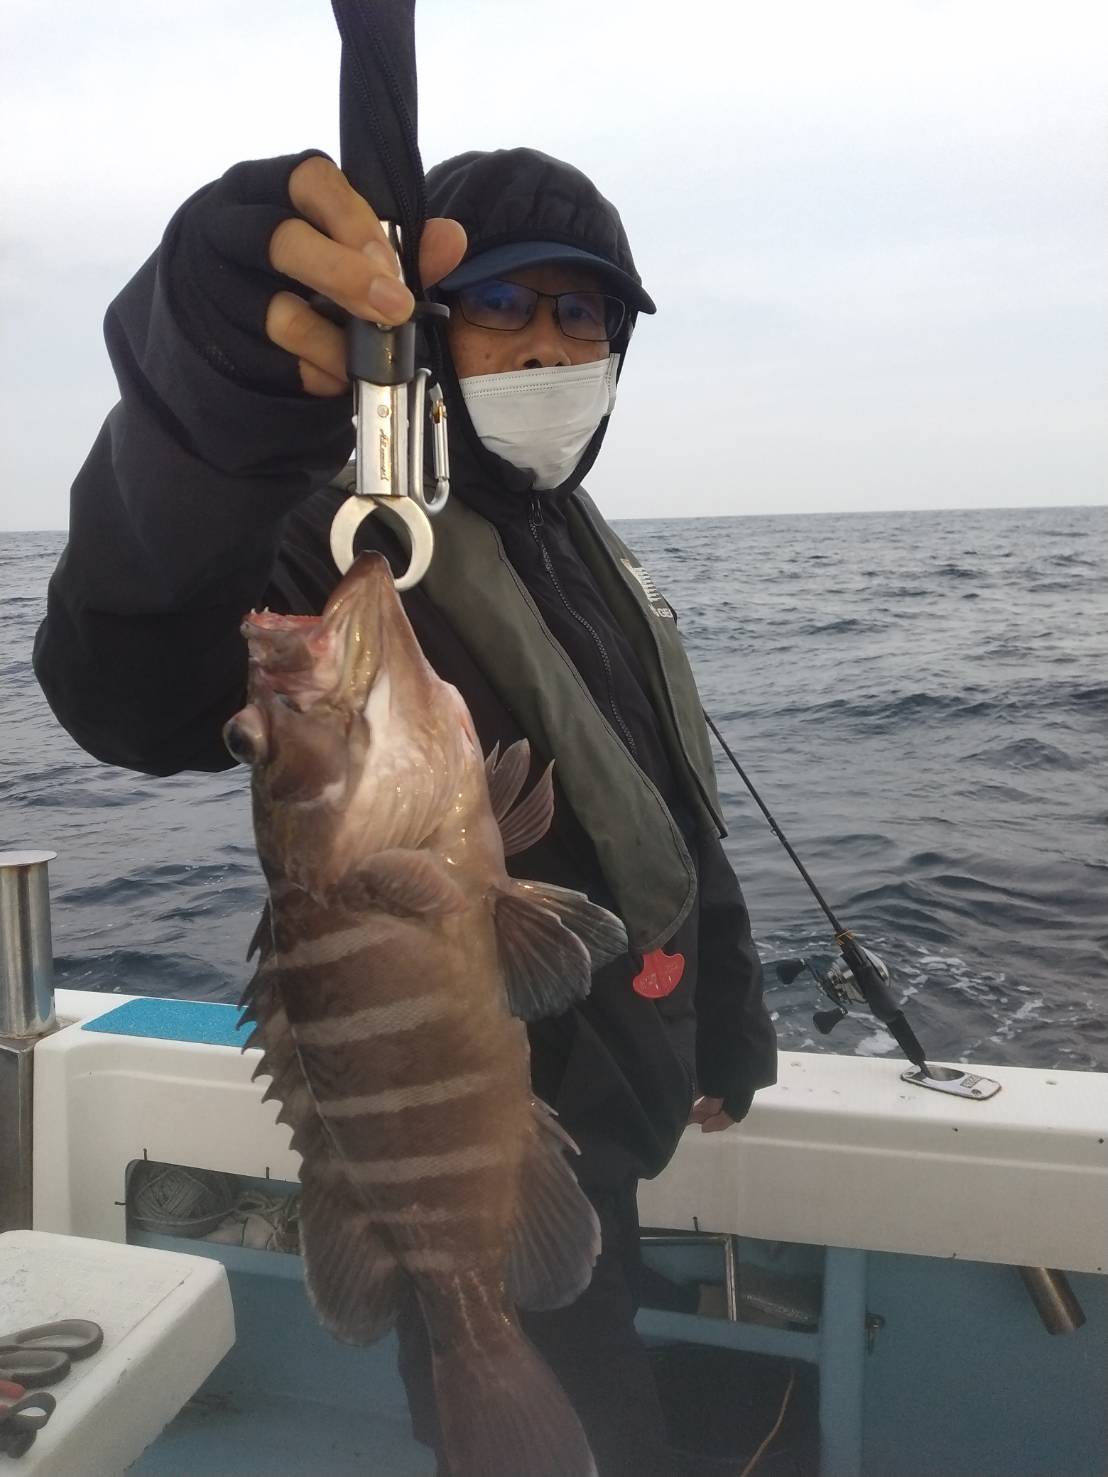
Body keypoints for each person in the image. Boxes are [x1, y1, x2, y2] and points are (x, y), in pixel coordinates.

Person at [34, 147, 778, 1477]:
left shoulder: (570, 538)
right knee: (567, 1417)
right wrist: (207, 402)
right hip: (461, 1138)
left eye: (584, 313)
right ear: (423, 330)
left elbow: (667, 809)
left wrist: (727, 1019)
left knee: (607, 1347)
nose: (548, 344)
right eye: (500, 303)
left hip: (610, 1104)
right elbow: (128, 687)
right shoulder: (341, 539)